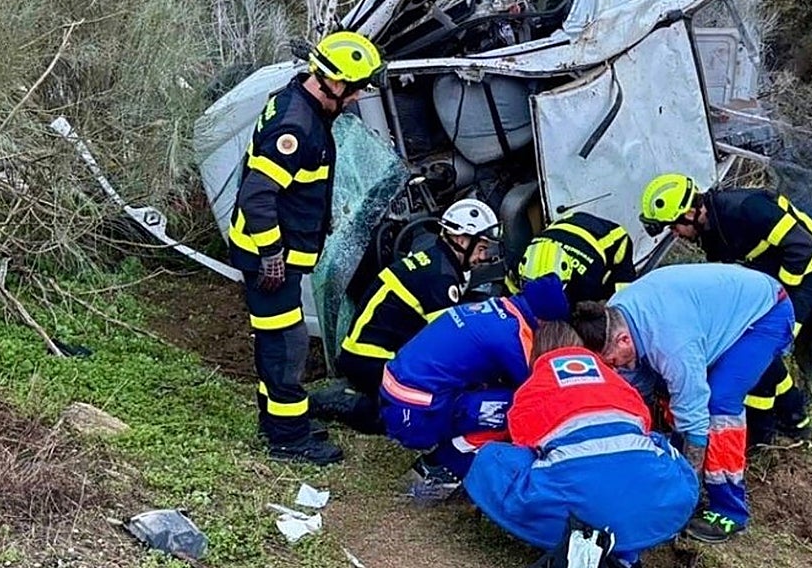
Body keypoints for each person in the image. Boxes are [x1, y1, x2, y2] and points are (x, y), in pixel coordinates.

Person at [227, 30, 384, 466]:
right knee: (285, 344)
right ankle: (289, 439)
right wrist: (273, 254)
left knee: (281, 339)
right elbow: (257, 195)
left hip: (273, 252)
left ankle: (278, 423)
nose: (357, 98)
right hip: (267, 257)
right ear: (335, 84)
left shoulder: (299, 102)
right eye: (355, 89)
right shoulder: (297, 126)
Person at [573, 263, 794, 544]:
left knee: (719, 403)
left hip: (764, 314)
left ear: (624, 339)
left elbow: (695, 417)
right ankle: (668, 467)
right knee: (665, 391)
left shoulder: (671, 345)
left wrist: (687, 482)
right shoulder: (613, 316)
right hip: (711, 311)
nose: (615, 368)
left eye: (614, 362)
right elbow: (632, 388)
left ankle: (729, 508)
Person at [638, 173, 812, 444]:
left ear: (691, 212)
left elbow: (801, 245)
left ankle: (764, 431)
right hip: (780, 280)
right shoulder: (712, 229)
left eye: (673, 226)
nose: (675, 234)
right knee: (756, 346)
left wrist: (781, 297)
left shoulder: (746, 208)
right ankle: (793, 416)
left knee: (763, 348)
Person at [464, 322, 699, 567]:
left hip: (577, 509)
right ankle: (627, 549)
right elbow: (644, 424)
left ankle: (577, 538)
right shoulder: (617, 381)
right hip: (654, 504)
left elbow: (522, 442)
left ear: (536, 352)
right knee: (653, 444)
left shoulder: (533, 388)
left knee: (494, 457)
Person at [314, 198, 504, 432]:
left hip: (367, 355)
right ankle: (351, 404)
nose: (483, 257)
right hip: (372, 360)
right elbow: (449, 345)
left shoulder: (436, 261)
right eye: (481, 248)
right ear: (461, 239)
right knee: (417, 415)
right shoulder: (441, 278)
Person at [378, 274, 571, 496]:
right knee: (515, 411)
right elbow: (539, 390)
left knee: (493, 391)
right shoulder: (513, 337)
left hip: (398, 391)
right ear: (545, 322)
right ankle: (440, 468)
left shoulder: (495, 308)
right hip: (414, 414)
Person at [512, 211, 636, 305]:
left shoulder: (586, 283)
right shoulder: (520, 264)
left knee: (619, 300)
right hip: (564, 226)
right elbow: (511, 296)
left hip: (613, 238)